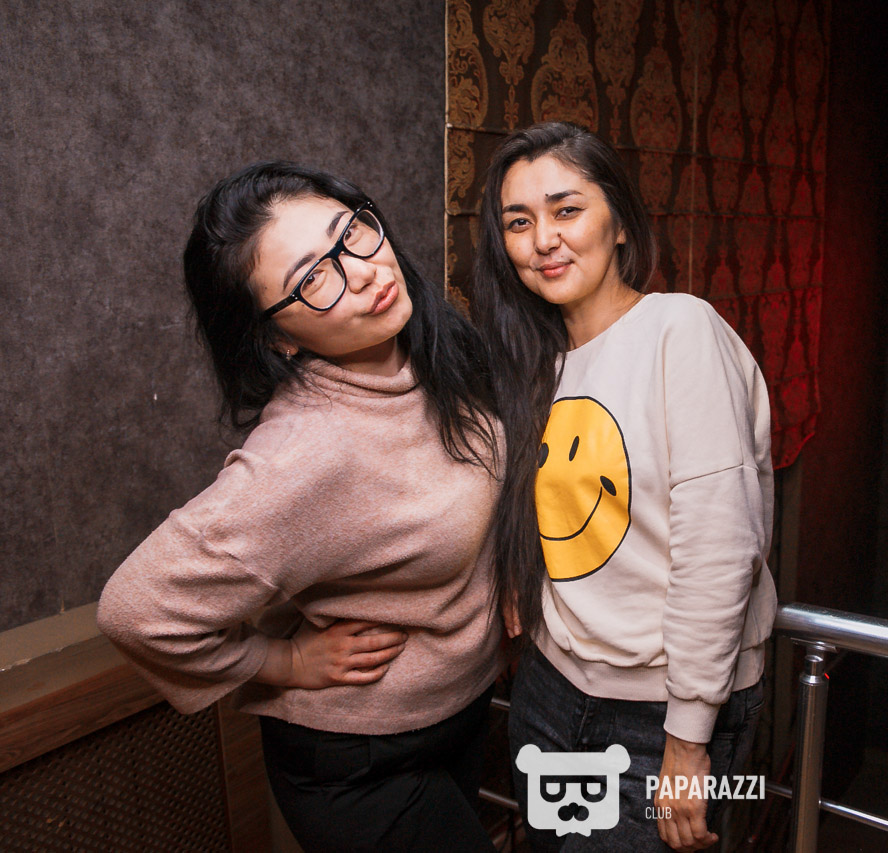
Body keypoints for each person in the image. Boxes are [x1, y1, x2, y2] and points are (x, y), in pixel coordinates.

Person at [97, 162, 502, 852]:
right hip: (364, 761)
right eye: (314, 277)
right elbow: (136, 609)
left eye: (352, 233)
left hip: (458, 712)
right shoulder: (306, 451)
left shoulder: (431, 349)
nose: (365, 271)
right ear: (277, 337)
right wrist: (282, 662)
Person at [472, 122, 777, 852]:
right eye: (519, 222)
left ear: (618, 224)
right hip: (550, 692)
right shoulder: (538, 364)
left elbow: (719, 545)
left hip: (659, 718)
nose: (544, 239)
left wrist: (689, 739)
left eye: (566, 210)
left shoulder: (680, 328)